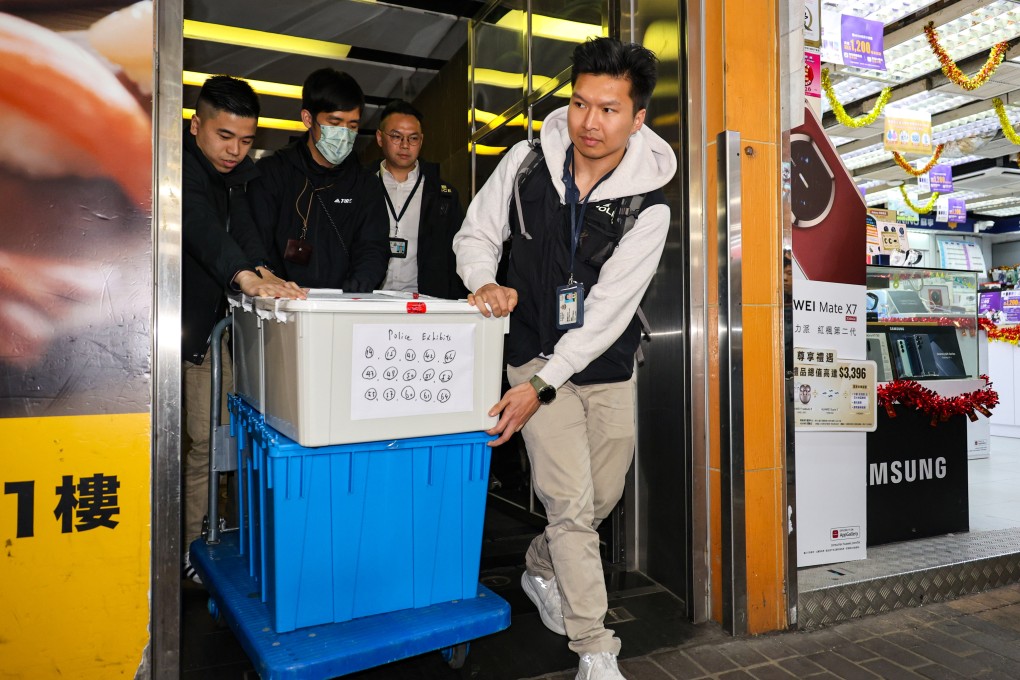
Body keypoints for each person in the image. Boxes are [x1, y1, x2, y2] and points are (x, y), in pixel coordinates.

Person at [453, 37, 676, 680]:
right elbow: (477, 233)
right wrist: (482, 282)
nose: (589, 122)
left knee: (600, 497)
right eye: (580, 103)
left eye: (609, 109)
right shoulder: (525, 162)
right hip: (529, 353)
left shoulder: (649, 202)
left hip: (603, 365)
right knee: (572, 506)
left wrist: (543, 387)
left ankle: (541, 566)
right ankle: (596, 649)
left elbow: (605, 313)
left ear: (637, 120)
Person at [182, 75, 305, 583]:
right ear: (196, 126)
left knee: (221, 437)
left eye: (247, 140)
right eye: (224, 136)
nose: (235, 150)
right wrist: (246, 276)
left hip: (218, 330)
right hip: (184, 332)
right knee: (203, 443)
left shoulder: (236, 177)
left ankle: (211, 532)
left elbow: (248, 233)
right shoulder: (179, 170)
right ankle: (190, 548)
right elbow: (202, 230)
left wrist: (269, 273)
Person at [247, 68, 389, 291]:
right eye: (334, 123)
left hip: (342, 308)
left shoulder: (365, 185)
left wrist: (348, 298)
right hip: (282, 304)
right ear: (308, 118)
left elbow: (373, 250)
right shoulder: (273, 173)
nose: (344, 133)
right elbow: (256, 241)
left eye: (352, 125)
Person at [373, 99, 467, 298]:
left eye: (413, 138)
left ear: (421, 141)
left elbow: (458, 255)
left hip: (424, 304)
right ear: (380, 138)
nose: (405, 145)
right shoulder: (361, 187)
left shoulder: (444, 196)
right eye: (396, 137)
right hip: (369, 300)